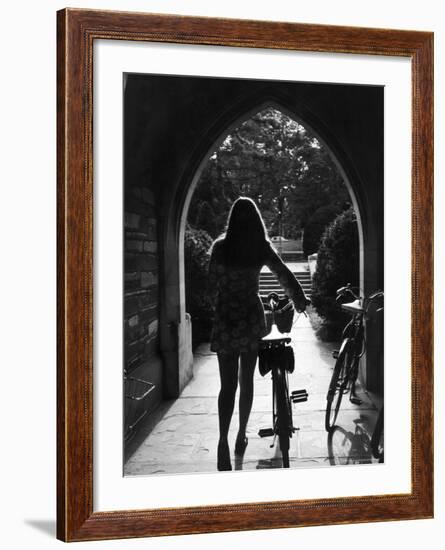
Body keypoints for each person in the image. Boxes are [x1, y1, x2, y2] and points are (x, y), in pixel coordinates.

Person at [208, 197, 309, 471]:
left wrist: (219, 300)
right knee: (247, 380)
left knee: (227, 385)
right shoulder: (260, 246)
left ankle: (221, 441)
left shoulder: (220, 247)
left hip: (227, 317)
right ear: (256, 220)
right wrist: (299, 299)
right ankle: (241, 433)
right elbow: (283, 274)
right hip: (250, 318)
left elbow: (210, 283)